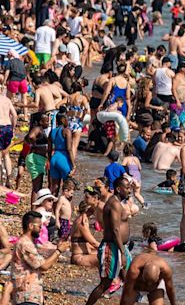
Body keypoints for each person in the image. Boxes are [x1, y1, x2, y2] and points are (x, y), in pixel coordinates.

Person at [86, 177, 132, 305]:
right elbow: (115, 230)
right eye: (127, 188)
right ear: (118, 189)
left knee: (128, 280)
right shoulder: (115, 204)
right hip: (112, 248)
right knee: (105, 283)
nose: (129, 190)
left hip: (120, 246)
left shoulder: (116, 202)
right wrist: (122, 253)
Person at [11, 211, 70, 305]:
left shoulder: (29, 243)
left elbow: (41, 260)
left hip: (30, 294)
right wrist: (58, 251)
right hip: (26, 295)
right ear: (30, 226)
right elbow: (44, 266)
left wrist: (56, 250)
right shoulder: (25, 244)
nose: (41, 228)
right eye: (39, 226)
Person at [48, 112, 76, 196]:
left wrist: (50, 161)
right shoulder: (67, 131)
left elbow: (49, 150)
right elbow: (69, 149)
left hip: (54, 158)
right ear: (63, 120)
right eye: (67, 119)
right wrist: (73, 164)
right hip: (63, 158)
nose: (68, 121)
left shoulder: (52, 132)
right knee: (68, 189)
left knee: (55, 188)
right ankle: (65, 208)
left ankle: (52, 208)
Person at [70, 199, 100, 267]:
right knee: (107, 259)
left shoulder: (78, 219)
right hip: (80, 257)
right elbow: (93, 242)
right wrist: (108, 248)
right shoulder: (82, 223)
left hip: (81, 255)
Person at [0, 86, 17, 187]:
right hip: (7, 126)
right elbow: (14, 115)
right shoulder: (7, 100)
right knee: (6, 154)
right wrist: (13, 128)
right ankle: (9, 179)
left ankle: (1, 181)